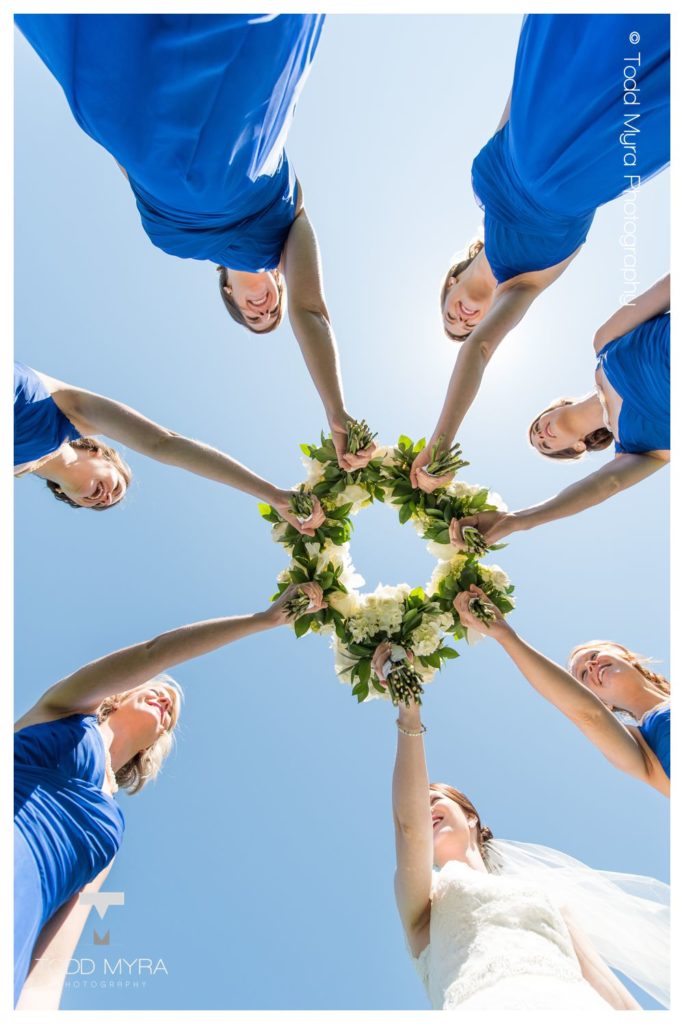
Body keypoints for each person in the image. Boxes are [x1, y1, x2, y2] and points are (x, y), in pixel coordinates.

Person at [15, 14, 374, 470]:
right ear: (280, 287)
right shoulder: (290, 228)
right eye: (271, 312)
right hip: (236, 124)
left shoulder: (183, 244)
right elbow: (312, 311)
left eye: (253, 316)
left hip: (140, 128)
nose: (264, 310)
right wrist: (337, 411)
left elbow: (129, 172)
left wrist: (109, 132)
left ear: (231, 295)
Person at [14, 582, 326, 1007]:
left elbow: (52, 961)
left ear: (157, 741)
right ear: (122, 693)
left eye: (172, 713)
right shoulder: (65, 710)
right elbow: (154, 653)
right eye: (157, 690)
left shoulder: (110, 830)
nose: (166, 699)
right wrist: (263, 620)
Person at [410, 14, 669, 491]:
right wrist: (441, 444)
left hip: (541, 98)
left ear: (448, 287)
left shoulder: (482, 193)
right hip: (588, 160)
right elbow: (480, 349)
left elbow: (513, 101)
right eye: (466, 324)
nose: (465, 320)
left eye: (452, 317)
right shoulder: (522, 286)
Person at [378, 641, 669, 1010]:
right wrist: (409, 710)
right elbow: (408, 829)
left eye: (434, 800)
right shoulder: (424, 901)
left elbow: (612, 992)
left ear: (471, 816)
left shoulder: (547, 895)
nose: (424, 810)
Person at [448, 276, 669, 542]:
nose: (541, 436)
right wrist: (514, 521)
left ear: (556, 406)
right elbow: (606, 485)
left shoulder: (605, 341)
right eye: (544, 446)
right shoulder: (638, 451)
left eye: (536, 428)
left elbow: (667, 288)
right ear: (577, 447)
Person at [14, 361, 325, 531]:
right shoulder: (71, 411)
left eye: (100, 503)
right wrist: (270, 494)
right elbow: (164, 443)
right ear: (98, 452)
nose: (105, 497)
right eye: (116, 487)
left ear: (67, 497)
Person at [453, 587, 669, 795]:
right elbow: (588, 714)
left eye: (593, 656)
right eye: (584, 675)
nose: (592, 666)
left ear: (623, 654)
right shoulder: (644, 750)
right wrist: (505, 635)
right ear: (602, 702)